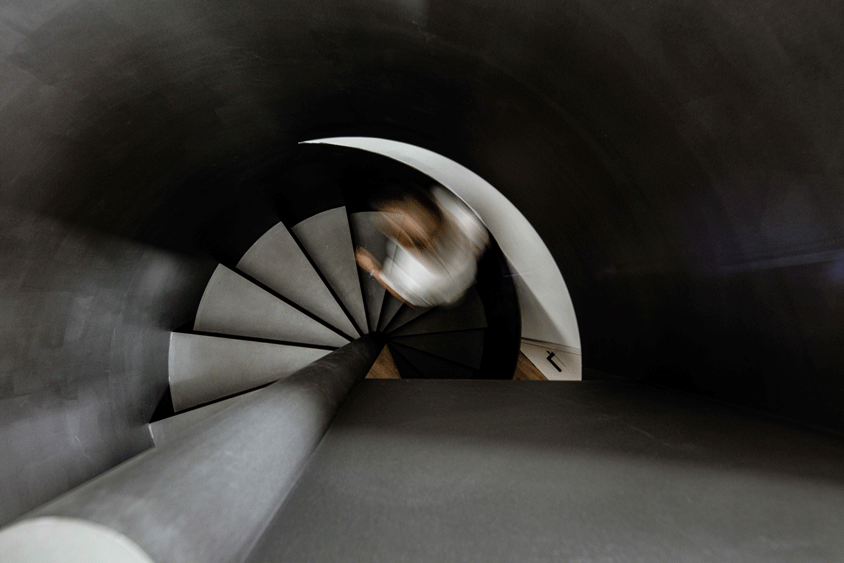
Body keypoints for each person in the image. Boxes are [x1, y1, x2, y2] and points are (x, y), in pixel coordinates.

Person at [355, 185, 488, 308]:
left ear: (406, 243)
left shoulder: (412, 277)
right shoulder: (462, 217)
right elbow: (483, 238)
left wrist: (372, 268)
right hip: (467, 274)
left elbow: (403, 294)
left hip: (449, 292)